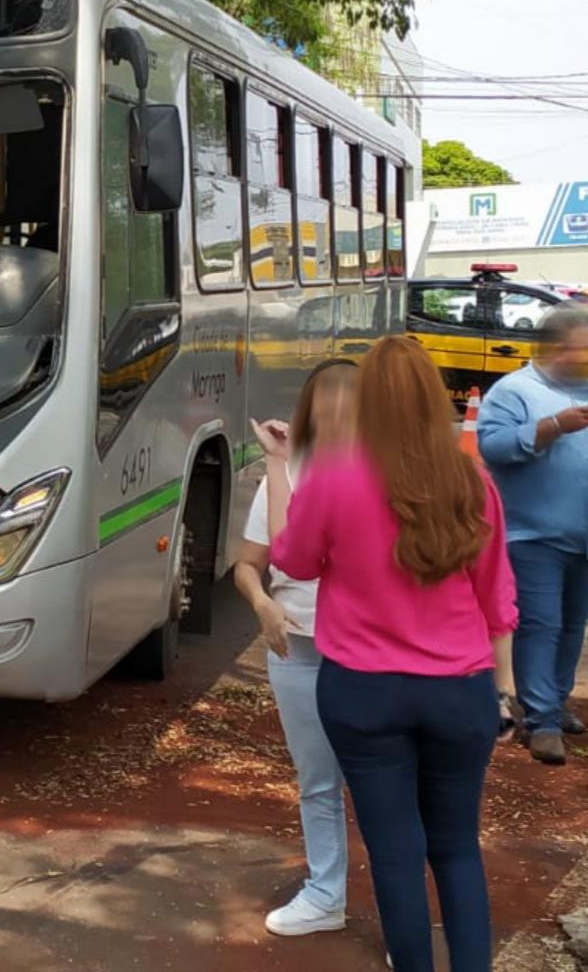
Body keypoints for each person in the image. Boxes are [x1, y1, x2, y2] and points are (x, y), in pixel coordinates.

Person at [257, 336, 518, 972]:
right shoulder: (471, 480)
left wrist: (282, 463)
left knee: (396, 850)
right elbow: (498, 597)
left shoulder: (340, 478)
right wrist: (506, 691)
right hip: (459, 689)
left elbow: (290, 560)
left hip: (364, 689)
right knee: (457, 845)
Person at [476, 305, 588, 766]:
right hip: (533, 534)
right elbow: (493, 448)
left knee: (572, 624)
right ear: (558, 347)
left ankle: (556, 698)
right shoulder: (513, 391)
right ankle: (542, 719)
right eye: (587, 347)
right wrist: (552, 427)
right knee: (540, 624)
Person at [233, 358, 360, 938]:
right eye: (325, 400)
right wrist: (262, 605)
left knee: (382, 782)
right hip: (298, 651)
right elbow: (250, 565)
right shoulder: (285, 472)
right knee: (317, 780)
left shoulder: (386, 472)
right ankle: (326, 892)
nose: (335, 413)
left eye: (349, 400)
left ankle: (404, 905)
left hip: (367, 651)